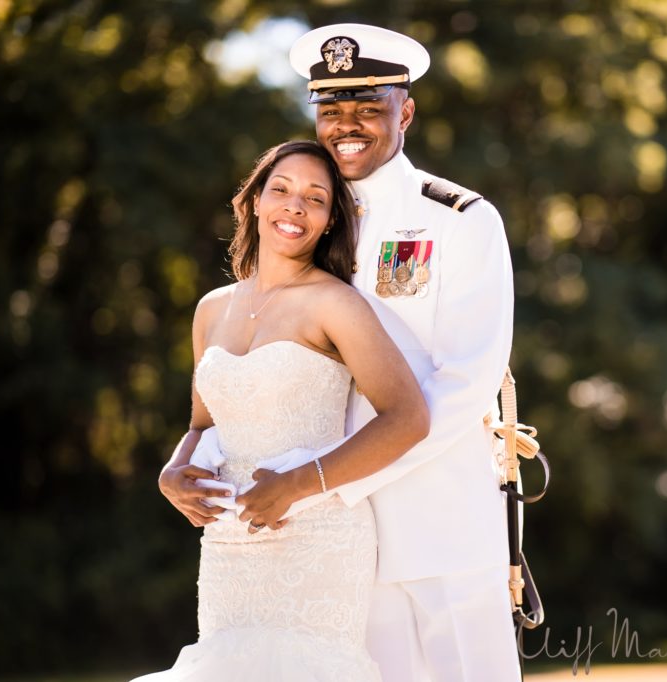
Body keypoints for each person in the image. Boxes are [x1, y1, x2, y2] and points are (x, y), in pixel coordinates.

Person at [180, 23, 521, 681]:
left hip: (435, 523)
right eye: (331, 109)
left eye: (370, 107)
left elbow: (466, 379)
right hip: (326, 554)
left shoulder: (456, 219)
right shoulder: (306, 219)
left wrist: (324, 482)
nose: (348, 125)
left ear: (407, 111)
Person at [135, 139, 429, 681]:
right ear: (253, 202)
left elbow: (409, 417)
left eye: (315, 198)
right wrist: (173, 473)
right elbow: (203, 423)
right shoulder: (210, 310)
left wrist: (295, 485)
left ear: (329, 222)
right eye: (282, 190)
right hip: (227, 544)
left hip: (316, 539)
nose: (296, 206)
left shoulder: (336, 303)